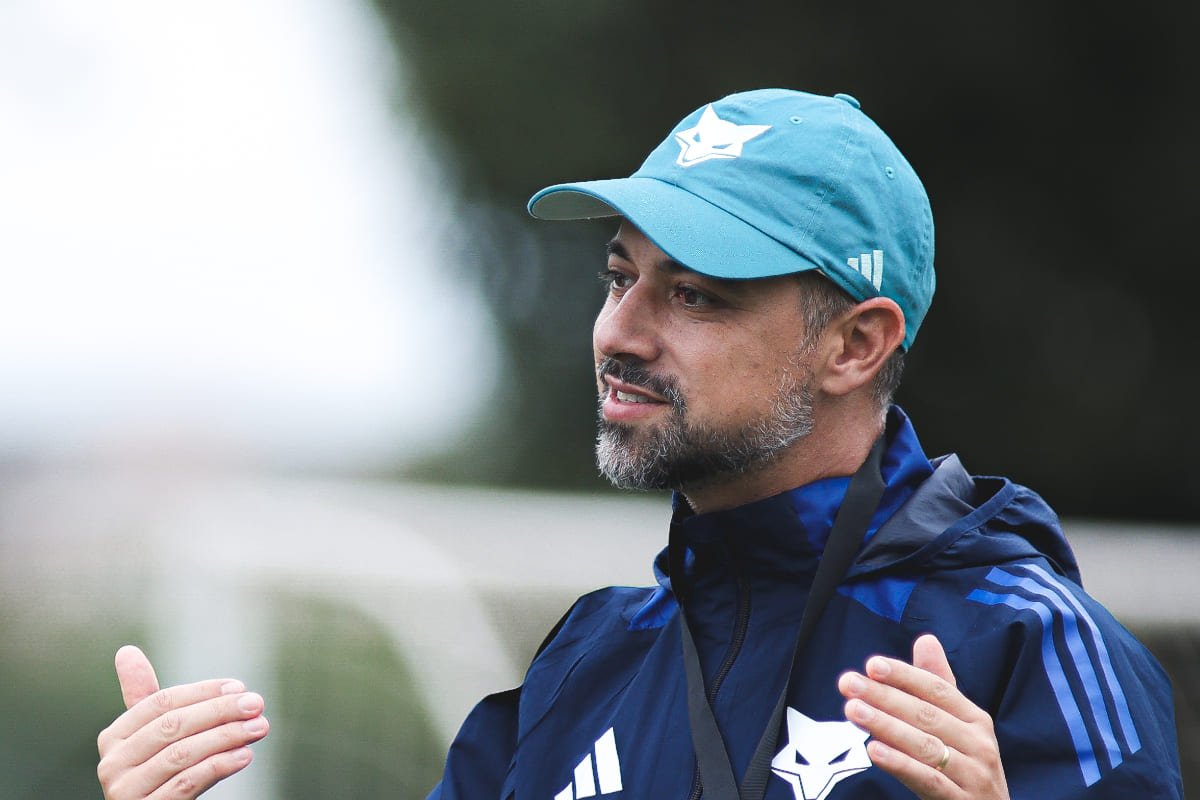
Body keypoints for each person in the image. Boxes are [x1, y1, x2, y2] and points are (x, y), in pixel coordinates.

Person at [95, 89, 1183, 800]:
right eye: (621, 274)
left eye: (696, 294)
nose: (619, 330)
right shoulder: (586, 663)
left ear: (855, 343)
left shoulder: (1027, 645)